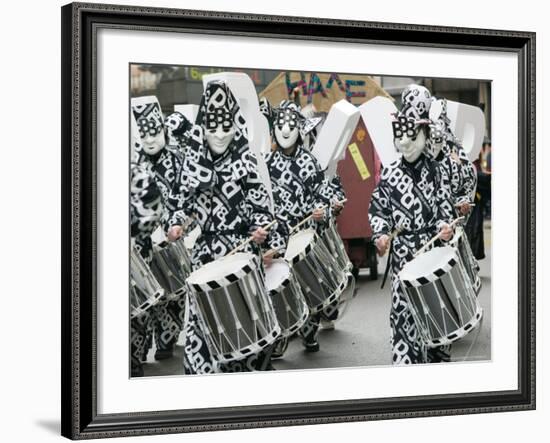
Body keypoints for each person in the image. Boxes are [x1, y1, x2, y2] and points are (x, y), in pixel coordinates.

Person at [167, 81, 286, 373]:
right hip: (206, 257)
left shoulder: (247, 162)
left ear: (235, 125)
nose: (220, 135)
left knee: (248, 322)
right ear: (202, 128)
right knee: (201, 325)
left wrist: (260, 231)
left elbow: (262, 210)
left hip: (242, 253)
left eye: (225, 127)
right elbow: (182, 206)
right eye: (213, 127)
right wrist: (177, 224)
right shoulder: (193, 164)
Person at [369, 87, 455, 364]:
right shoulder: (389, 173)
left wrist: (445, 226)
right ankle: (406, 371)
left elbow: (445, 207)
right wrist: (381, 235)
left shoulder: (437, 170)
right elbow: (378, 209)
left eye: (412, 135)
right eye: (400, 135)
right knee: (403, 319)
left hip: (432, 253)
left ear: (426, 135)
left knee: (435, 317)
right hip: (403, 258)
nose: (404, 142)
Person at [264, 100, 334, 353]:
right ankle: (282, 333)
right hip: (279, 235)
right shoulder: (267, 164)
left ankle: (308, 331)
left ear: (299, 129)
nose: (285, 130)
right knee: (280, 286)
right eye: (280, 125)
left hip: (304, 231)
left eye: (290, 125)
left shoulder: (310, 162)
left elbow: (323, 195)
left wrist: (320, 211)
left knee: (307, 283)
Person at [130, 98, 191, 361]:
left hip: (171, 237)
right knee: (142, 300)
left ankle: (166, 339)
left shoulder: (178, 160)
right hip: (142, 242)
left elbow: (188, 196)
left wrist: (178, 223)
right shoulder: (133, 163)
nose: (150, 139)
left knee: (172, 297)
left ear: (164, 131)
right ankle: (137, 352)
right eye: (144, 134)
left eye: (155, 132)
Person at [129, 139, 163, 377]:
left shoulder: (136, 173)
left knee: (138, 311)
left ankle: (133, 358)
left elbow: (152, 210)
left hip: (136, 250)